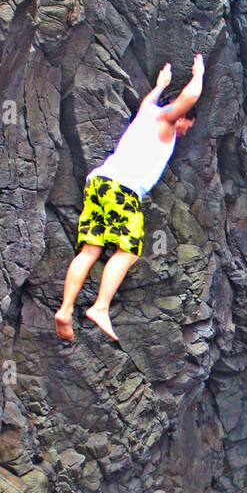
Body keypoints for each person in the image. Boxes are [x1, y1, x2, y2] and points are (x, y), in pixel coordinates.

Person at [55, 53, 205, 342]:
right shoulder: (165, 121)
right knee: (129, 251)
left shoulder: (147, 112)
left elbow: (149, 99)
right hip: (122, 190)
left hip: (98, 183)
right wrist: (198, 73)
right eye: (189, 124)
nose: (186, 131)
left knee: (90, 251)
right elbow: (190, 96)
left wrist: (161, 85)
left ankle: (65, 309)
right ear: (182, 116)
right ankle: (100, 307)